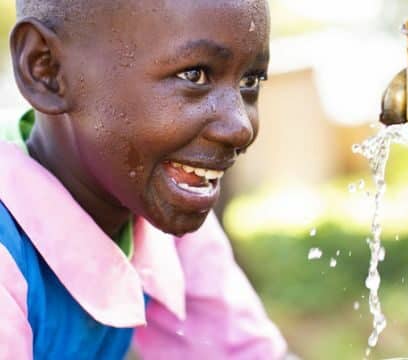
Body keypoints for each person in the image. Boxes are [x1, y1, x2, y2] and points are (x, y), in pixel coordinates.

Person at [0, 0, 289, 358]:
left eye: (249, 81)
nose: (240, 128)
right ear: (46, 68)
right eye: (195, 75)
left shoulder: (150, 209)